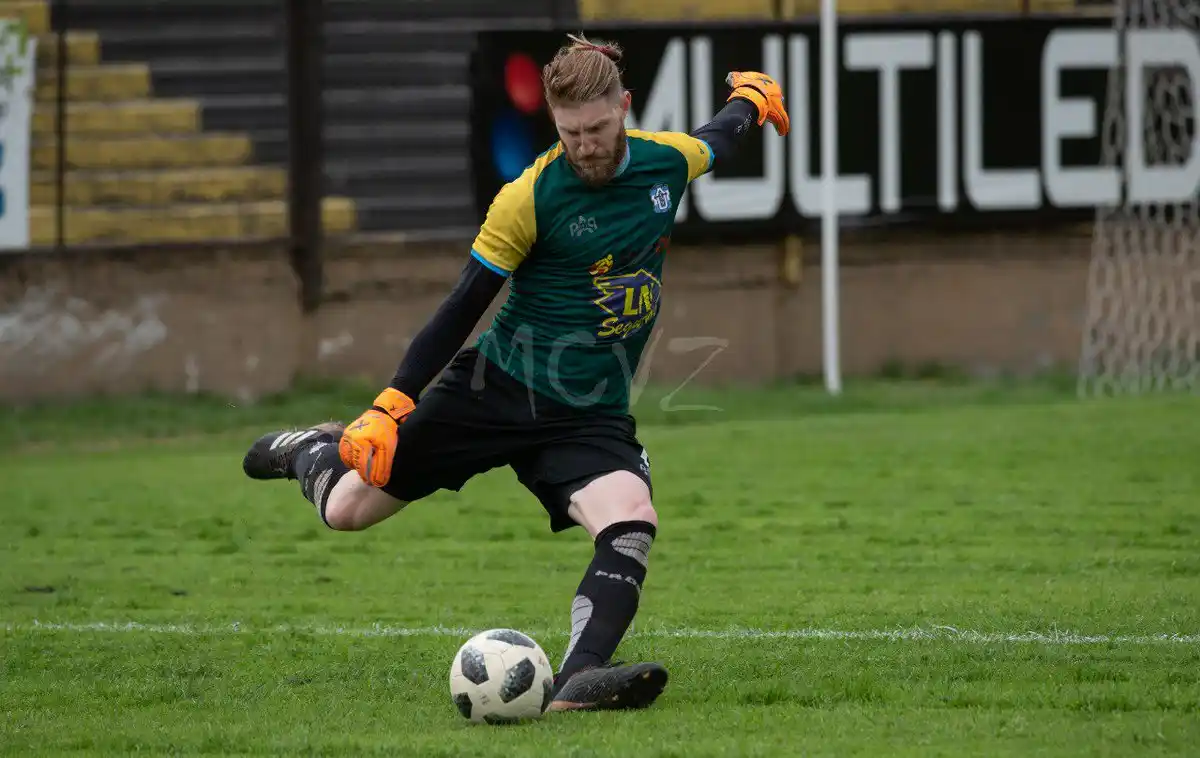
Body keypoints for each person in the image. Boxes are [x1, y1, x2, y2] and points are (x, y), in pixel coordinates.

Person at [242, 33, 790, 712]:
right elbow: (463, 304)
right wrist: (390, 403)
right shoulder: (528, 197)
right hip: (494, 390)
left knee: (632, 519)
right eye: (570, 133)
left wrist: (750, 102)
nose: (585, 144)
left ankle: (580, 680)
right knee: (349, 509)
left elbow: (718, 139)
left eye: (597, 128)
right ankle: (308, 451)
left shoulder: (664, 163)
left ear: (625, 107)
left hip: (589, 409)